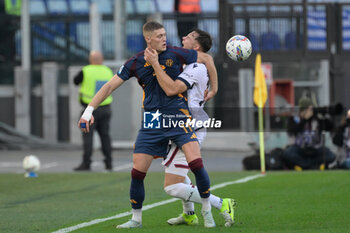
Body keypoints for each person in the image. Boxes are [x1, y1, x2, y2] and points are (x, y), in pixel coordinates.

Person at [78, 21, 218, 228]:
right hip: (152, 118)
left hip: (177, 115)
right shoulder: (134, 62)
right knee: (137, 172)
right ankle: (136, 219)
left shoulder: (176, 53)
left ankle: (207, 210)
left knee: (196, 165)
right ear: (148, 39)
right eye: (160, 36)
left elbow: (207, 58)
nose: (165, 39)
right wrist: (88, 111)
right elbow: (109, 87)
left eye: (164, 35)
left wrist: (214, 88)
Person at [144, 29, 236, 227]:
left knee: (172, 187)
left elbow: (173, 89)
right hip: (179, 124)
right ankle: (188, 214)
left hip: (189, 127)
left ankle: (221, 203)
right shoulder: (186, 62)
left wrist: (154, 67)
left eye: (189, 36)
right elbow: (209, 60)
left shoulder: (196, 68)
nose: (183, 37)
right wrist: (215, 88)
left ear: (196, 47)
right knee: (180, 174)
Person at [73, 50, 113, 171]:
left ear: (90, 60)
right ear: (101, 60)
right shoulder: (108, 71)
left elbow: (75, 81)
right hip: (106, 108)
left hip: (89, 109)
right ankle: (109, 162)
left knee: (87, 136)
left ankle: (86, 163)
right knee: (105, 136)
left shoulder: (86, 70)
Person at [282, 97, 335, 170]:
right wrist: (304, 119)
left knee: (330, 155)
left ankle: (305, 165)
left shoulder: (317, 119)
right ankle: (311, 166)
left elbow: (329, 127)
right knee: (287, 153)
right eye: (308, 109)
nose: (310, 112)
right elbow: (292, 130)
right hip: (300, 149)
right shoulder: (294, 118)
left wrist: (323, 115)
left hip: (315, 149)